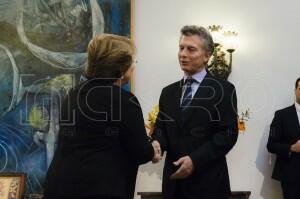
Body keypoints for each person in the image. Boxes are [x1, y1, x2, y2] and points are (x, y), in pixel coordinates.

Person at [43, 34, 161, 199]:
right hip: (100, 189)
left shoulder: (74, 93)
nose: (134, 66)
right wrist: (153, 149)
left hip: (59, 185)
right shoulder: (123, 100)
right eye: (133, 61)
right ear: (120, 67)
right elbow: (140, 152)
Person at [151, 25, 239, 199]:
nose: (183, 54)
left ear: (207, 55)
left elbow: (228, 134)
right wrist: (156, 144)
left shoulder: (224, 89)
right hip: (174, 184)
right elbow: (161, 129)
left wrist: (195, 160)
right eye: (181, 48)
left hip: (209, 183)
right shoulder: (168, 92)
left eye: (191, 49)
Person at [267, 77, 300, 199]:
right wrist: (292, 148)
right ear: (295, 90)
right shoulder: (281, 115)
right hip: (291, 176)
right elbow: (271, 145)